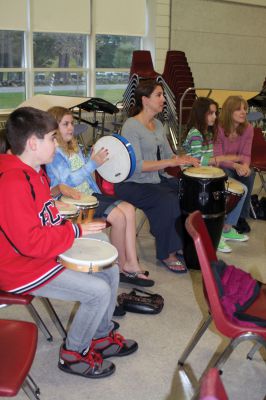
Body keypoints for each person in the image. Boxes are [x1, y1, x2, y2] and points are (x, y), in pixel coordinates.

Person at [0, 107, 138, 379]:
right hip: (18, 268)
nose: (56, 143)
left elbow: (46, 219)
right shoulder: (12, 182)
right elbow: (29, 243)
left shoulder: (35, 172)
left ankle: (99, 336)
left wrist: (69, 229)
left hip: (39, 255)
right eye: (52, 137)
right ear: (32, 143)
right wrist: (75, 231)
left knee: (109, 270)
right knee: (97, 292)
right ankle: (73, 355)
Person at [46, 106, 154, 287]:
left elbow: (84, 172)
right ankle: (117, 268)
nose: (71, 127)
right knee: (118, 217)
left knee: (128, 209)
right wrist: (93, 164)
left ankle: (131, 263)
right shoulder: (55, 152)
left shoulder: (73, 145)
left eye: (72, 123)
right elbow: (68, 182)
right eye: (65, 124)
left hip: (88, 194)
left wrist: (92, 157)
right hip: (72, 202)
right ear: (53, 127)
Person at [114, 79, 199, 273]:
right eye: (159, 95)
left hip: (155, 179)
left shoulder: (159, 124)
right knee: (167, 201)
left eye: (163, 95)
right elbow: (137, 166)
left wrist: (183, 159)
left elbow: (169, 156)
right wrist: (171, 163)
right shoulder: (131, 126)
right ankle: (166, 253)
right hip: (133, 183)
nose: (163, 99)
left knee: (188, 191)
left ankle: (181, 244)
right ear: (145, 100)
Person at [183, 97, 249, 253]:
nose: (214, 117)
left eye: (215, 113)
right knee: (221, 196)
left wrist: (225, 160)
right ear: (201, 114)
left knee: (242, 190)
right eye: (210, 113)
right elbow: (197, 160)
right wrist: (221, 159)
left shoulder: (210, 132)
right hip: (195, 181)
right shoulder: (195, 134)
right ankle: (214, 235)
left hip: (209, 177)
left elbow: (213, 157)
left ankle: (226, 228)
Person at [213, 96, 256, 234]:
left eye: (245, 109)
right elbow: (218, 157)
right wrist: (236, 166)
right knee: (228, 173)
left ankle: (241, 218)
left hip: (237, 164)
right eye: (238, 109)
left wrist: (245, 166)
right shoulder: (218, 127)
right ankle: (224, 215)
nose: (243, 112)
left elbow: (246, 154)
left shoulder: (248, 128)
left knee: (250, 175)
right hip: (220, 164)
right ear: (229, 111)